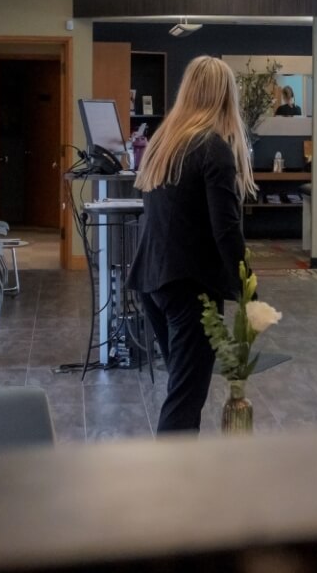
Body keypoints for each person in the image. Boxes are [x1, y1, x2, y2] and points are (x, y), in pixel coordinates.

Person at [129, 56, 257, 434]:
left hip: (152, 282)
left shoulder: (163, 142)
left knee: (181, 389)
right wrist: (246, 284)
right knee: (185, 400)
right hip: (188, 288)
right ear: (224, 97)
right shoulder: (211, 147)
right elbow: (226, 229)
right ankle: (173, 489)